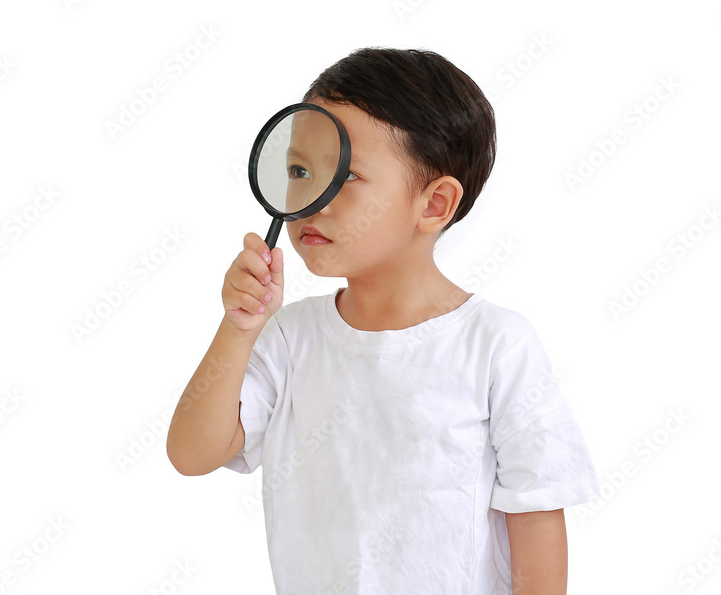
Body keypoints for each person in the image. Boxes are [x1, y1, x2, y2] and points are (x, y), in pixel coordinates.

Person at [166, 47, 600, 594]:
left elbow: (535, 507)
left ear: (434, 205)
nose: (312, 199)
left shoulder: (496, 344)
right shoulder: (291, 337)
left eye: (345, 176)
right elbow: (192, 454)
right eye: (300, 171)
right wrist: (238, 328)